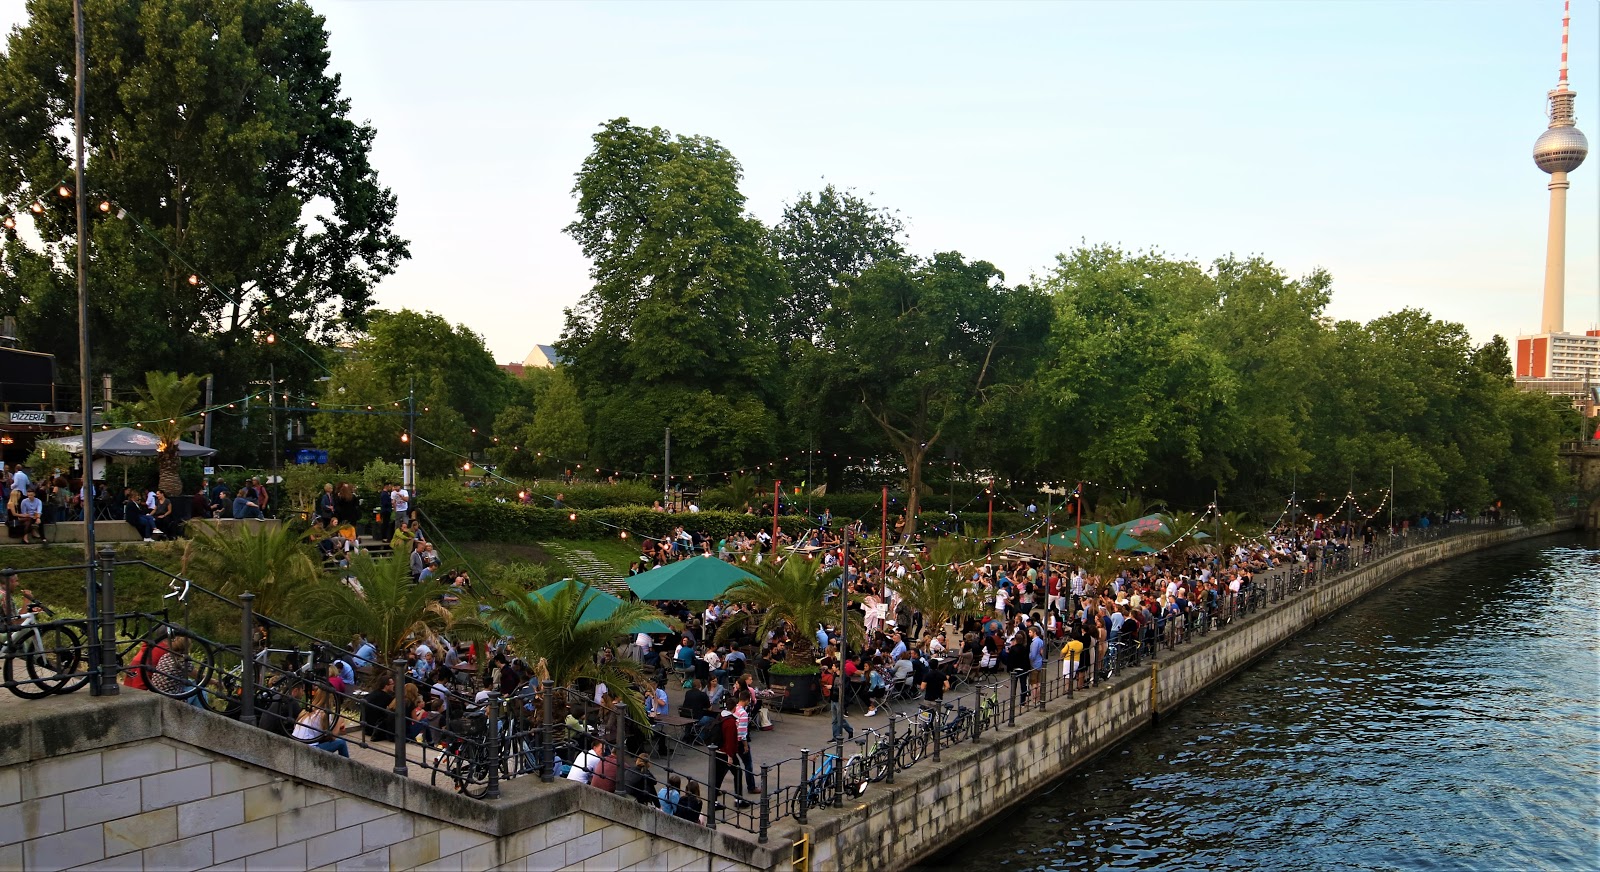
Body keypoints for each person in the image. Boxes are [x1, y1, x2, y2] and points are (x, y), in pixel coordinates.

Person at [291, 685, 350, 757]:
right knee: (341, 743)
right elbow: (332, 737)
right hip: (308, 748)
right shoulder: (324, 714)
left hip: (295, 745)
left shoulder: (307, 711)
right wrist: (339, 720)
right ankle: (348, 764)